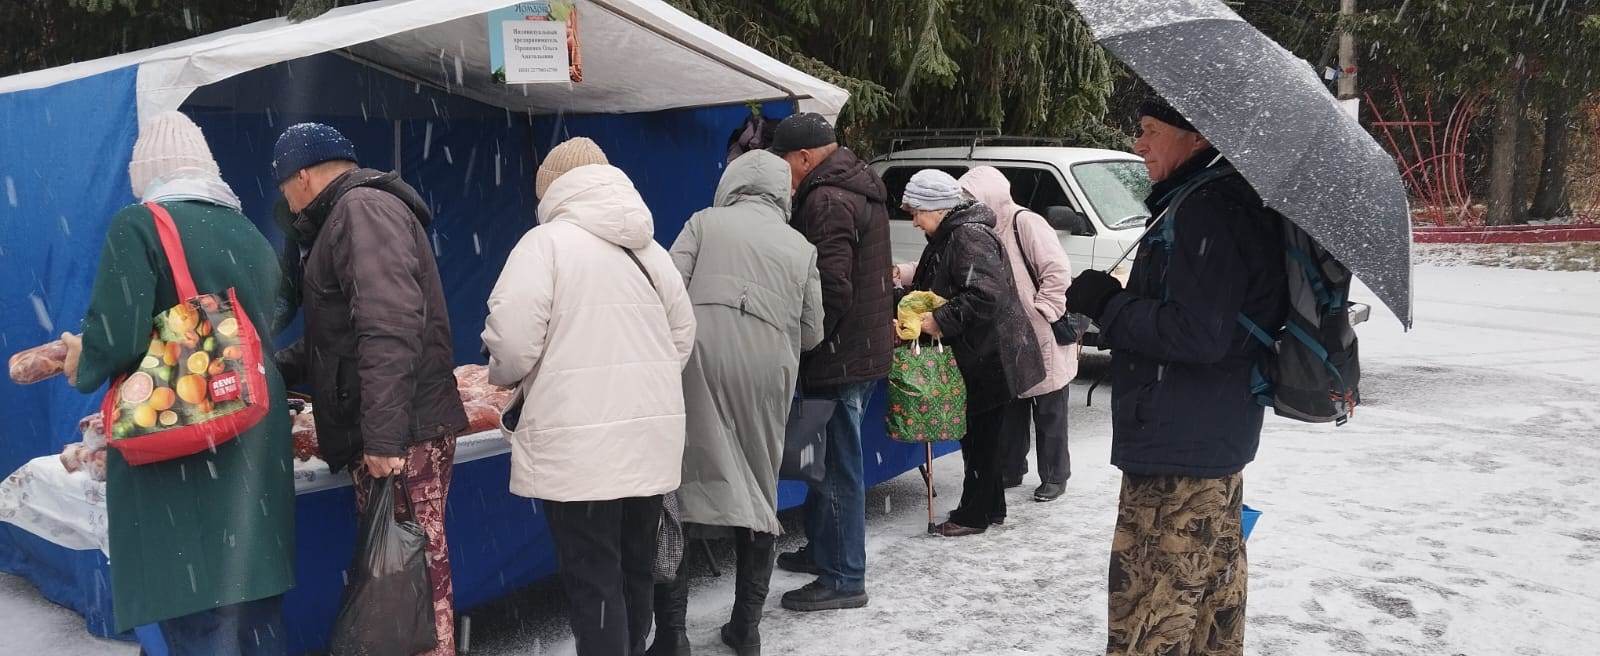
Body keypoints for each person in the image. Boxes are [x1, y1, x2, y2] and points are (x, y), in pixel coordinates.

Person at [60, 110, 293, 655]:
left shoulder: (139, 226)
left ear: (148, 175)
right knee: (254, 617)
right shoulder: (248, 230)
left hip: (187, 454)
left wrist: (82, 357)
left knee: (199, 617)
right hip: (254, 438)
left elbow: (116, 335)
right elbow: (269, 317)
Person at [1063, 98, 1288, 656]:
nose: (1138, 144)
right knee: (1210, 613)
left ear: (1196, 138)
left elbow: (1200, 334)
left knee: (1152, 618)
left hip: (1178, 456)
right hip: (1208, 439)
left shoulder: (1206, 211)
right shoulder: (1215, 202)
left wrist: (1109, 305)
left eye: (1150, 131)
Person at [481, 138, 696, 656]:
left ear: (553, 188)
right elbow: (683, 336)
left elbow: (510, 345)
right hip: (650, 438)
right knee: (635, 567)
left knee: (593, 578)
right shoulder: (651, 250)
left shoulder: (544, 245)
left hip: (579, 451)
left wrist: (509, 375)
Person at [270, 122, 469, 655]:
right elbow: (335, 341)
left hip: (403, 435)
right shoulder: (349, 215)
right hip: (399, 429)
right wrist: (266, 370)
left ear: (303, 176)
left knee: (414, 576)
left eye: (284, 186)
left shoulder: (361, 211)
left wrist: (383, 438)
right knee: (399, 575)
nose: (285, 203)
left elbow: (388, 326)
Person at [647, 150, 824, 656]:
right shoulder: (800, 246)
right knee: (758, 495)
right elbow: (812, 332)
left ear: (733, 183)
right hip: (768, 376)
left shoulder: (704, 223)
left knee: (675, 491)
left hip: (697, 366)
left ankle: (673, 635)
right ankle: (746, 627)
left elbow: (665, 290)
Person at [767, 112, 893, 611]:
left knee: (837, 466)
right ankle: (824, 552)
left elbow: (831, 288)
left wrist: (806, 341)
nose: (786, 176)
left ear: (802, 157)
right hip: (857, 350)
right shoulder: (856, 186)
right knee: (821, 461)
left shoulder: (825, 198)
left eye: (786, 164)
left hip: (838, 355)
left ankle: (843, 577)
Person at [893, 169, 1044, 537]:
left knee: (980, 439)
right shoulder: (954, 233)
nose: (914, 221)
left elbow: (984, 295)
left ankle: (973, 514)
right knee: (982, 437)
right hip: (986, 353)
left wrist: (938, 320)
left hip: (989, 356)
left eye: (917, 211)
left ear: (937, 207)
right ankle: (990, 507)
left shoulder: (967, 235)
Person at [956, 166, 1078, 502]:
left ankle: (1055, 475)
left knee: (1049, 406)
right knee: (1011, 403)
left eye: (972, 198)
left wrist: (1044, 310)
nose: (967, 205)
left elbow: (1057, 269)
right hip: (1005, 331)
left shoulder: (1025, 222)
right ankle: (1010, 469)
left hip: (1040, 330)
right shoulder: (980, 229)